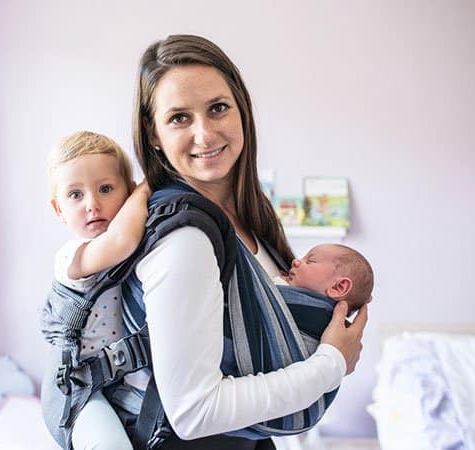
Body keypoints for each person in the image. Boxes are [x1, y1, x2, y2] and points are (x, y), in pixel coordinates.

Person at [122, 34, 368, 449]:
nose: (204, 134)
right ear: (153, 134)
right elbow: (193, 412)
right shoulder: (185, 239)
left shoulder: (251, 218)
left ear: (242, 112)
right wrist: (332, 363)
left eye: (218, 108)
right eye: (179, 118)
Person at [46, 130, 149, 450]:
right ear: (58, 209)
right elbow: (121, 241)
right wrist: (149, 184)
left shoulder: (141, 249)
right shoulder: (72, 256)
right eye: (75, 195)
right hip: (80, 387)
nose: (93, 204)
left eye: (106, 188)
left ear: (125, 191)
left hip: (121, 378)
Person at [279, 243, 374, 315]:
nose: (295, 261)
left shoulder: (311, 311)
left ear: (338, 287)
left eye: (310, 261)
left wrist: (279, 282)